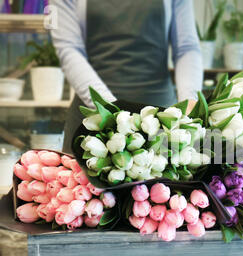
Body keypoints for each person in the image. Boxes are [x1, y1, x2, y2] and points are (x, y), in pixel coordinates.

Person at [50, 0, 203, 153]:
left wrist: (190, 97)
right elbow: (69, 49)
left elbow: (186, 47)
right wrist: (109, 110)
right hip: (93, 123)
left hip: (161, 122)